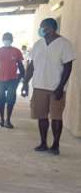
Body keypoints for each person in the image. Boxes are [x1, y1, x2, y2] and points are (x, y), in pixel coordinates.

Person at [21, 18, 76, 155]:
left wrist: (60, 87)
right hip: (39, 86)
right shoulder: (38, 44)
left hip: (56, 88)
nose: (41, 30)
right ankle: (43, 143)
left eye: (43, 27)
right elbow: (32, 66)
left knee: (56, 117)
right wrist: (25, 83)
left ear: (51, 28)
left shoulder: (64, 44)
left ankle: (55, 145)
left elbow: (68, 67)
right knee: (42, 116)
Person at [0, 33, 25, 128]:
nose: (7, 40)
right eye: (5, 39)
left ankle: (8, 120)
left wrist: (23, 80)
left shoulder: (16, 51)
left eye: (9, 39)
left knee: (11, 100)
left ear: (12, 40)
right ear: (2, 40)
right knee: (1, 101)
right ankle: (2, 119)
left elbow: (21, 66)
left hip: (12, 80)